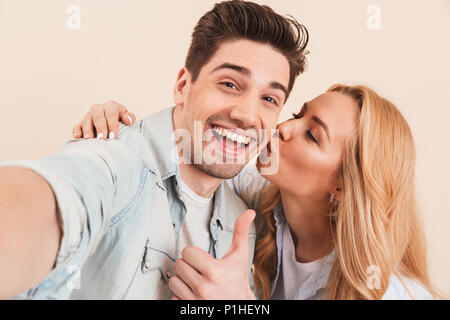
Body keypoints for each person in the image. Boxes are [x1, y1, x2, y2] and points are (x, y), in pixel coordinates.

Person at [0, 0, 309, 299]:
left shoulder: (244, 209)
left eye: (269, 99)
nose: (247, 115)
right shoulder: (117, 160)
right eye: (230, 84)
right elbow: (66, 192)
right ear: (182, 87)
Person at [81, 84, 438, 300]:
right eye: (298, 113)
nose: (283, 128)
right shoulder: (266, 198)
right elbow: (193, 156)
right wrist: (122, 125)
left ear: (342, 184)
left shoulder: (382, 289)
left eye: (313, 135)